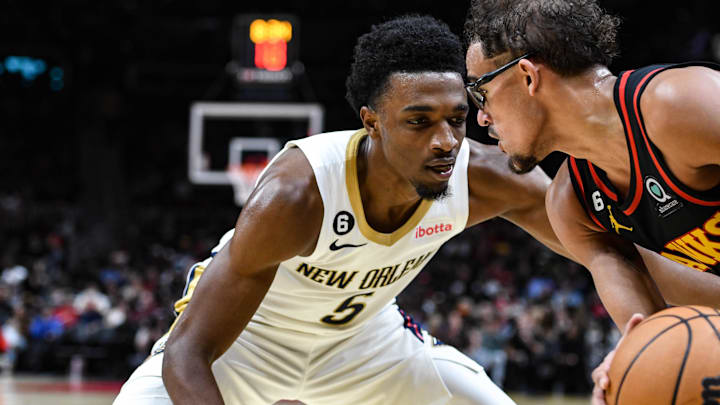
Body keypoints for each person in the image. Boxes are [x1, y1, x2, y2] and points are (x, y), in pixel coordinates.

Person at [114, 15, 569, 405]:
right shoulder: (297, 194)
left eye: (455, 118)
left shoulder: (485, 178)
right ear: (372, 122)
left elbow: (601, 247)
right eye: (419, 121)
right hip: (246, 345)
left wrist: (639, 324)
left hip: (366, 345)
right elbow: (187, 351)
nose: (446, 141)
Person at [463, 0, 720, 403]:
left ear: (528, 77)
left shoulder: (681, 105)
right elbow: (652, 330)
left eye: (481, 92)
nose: (480, 117)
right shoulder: (573, 206)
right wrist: (634, 370)